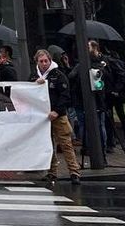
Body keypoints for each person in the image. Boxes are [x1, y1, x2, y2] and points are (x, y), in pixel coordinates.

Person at [33, 49, 81, 185]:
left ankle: (74, 172)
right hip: (43, 117)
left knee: (66, 144)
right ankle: (52, 172)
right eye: (41, 61)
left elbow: (65, 95)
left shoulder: (58, 75)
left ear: (50, 60)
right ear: (37, 62)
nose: (43, 64)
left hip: (58, 116)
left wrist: (57, 111)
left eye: (45, 61)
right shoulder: (33, 76)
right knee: (48, 146)